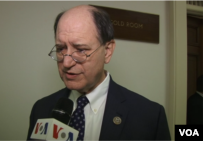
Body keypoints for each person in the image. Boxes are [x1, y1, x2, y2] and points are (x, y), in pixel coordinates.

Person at [27, 5, 171, 140]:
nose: (66, 63)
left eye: (81, 50)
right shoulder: (41, 108)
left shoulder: (149, 116)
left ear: (107, 51)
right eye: (60, 49)